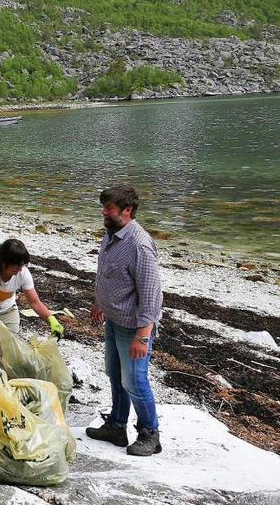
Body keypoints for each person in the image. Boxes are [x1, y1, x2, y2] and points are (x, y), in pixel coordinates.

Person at [86, 184, 163, 457]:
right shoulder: (112, 235)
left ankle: (150, 434)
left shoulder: (139, 244)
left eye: (109, 208)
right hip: (113, 320)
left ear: (127, 211)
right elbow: (108, 274)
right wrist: (99, 302)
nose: (104, 212)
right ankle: (117, 426)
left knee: (135, 382)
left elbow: (152, 293)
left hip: (133, 327)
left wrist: (144, 335)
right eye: (104, 207)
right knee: (115, 376)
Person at [0, 238, 64, 374]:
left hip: (7, 312)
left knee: (9, 356)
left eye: (21, 265)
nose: (19, 269)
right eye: (15, 266)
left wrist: (51, 319)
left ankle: (3, 385)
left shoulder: (23, 273)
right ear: (4, 261)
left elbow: (34, 302)